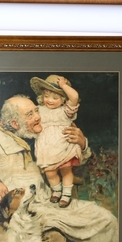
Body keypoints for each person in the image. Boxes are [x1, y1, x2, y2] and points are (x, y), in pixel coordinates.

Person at [0, 94, 118, 242]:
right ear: (15, 124)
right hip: (16, 215)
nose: (38, 117)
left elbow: (69, 160)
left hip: (48, 202)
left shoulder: (44, 134)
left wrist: (82, 144)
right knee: (55, 240)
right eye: (30, 114)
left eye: (36, 111)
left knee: (105, 219)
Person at [30, 74, 82, 208]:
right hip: (46, 149)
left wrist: (63, 86)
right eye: (46, 96)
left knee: (66, 170)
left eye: (55, 98)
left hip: (63, 146)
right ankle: (57, 190)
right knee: (50, 172)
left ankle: (66, 194)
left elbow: (74, 97)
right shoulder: (39, 110)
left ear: (63, 98)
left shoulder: (66, 111)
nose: (50, 100)